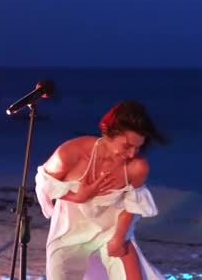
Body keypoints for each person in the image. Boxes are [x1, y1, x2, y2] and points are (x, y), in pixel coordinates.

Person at [34, 100, 168, 279]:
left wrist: (119, 238)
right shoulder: (71, 152)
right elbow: (44, 184)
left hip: (111, 231)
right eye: (127, 146)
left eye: (138, 147)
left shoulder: (137, 167)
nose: (131, 154)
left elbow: (132, 206)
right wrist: (79, 196)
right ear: (107, 132)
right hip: (69, 232)